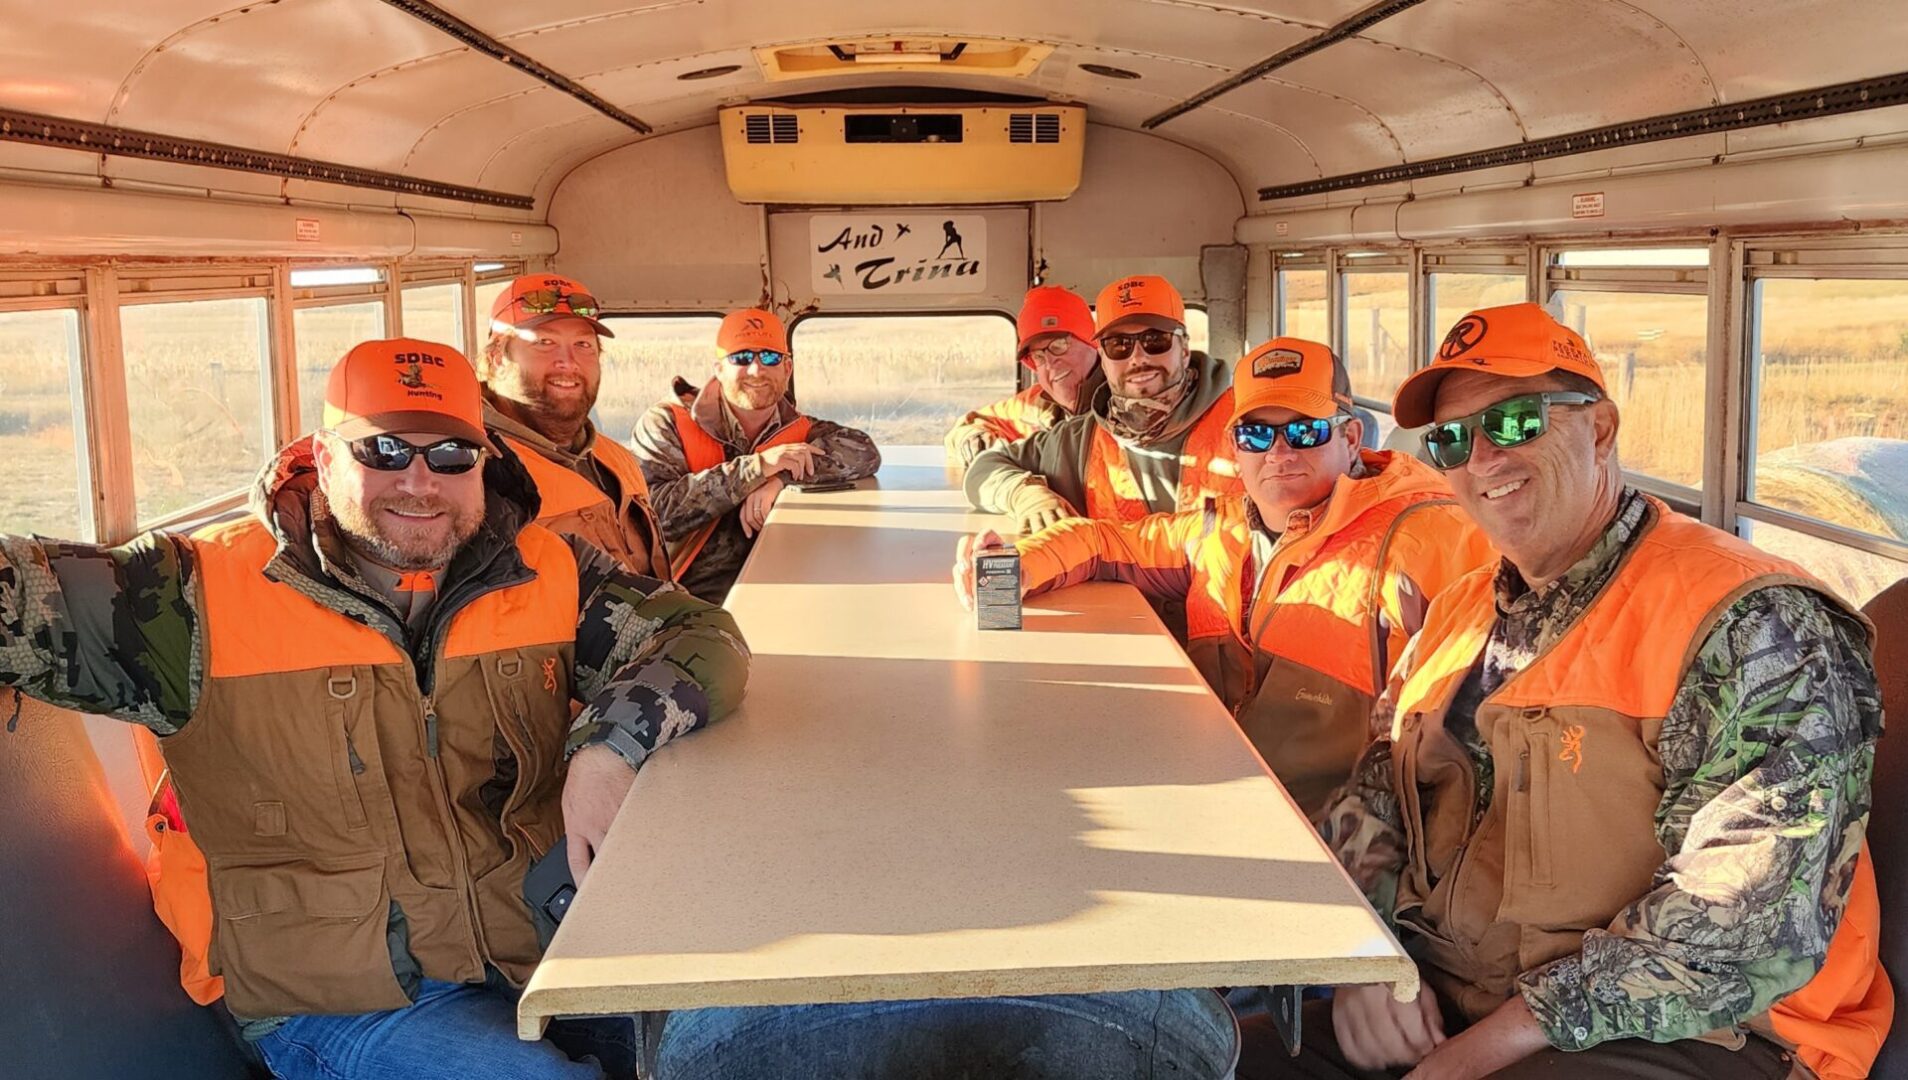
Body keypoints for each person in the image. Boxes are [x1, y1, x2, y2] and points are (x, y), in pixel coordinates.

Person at [0, 338, 751, 1078]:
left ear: (485, 463)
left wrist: (610, 745)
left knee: (749, 1023)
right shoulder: (187, 596)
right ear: (323, 459)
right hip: (334, 996)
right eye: (384, 451)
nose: (419, 482)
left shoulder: (545, 571)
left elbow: (702, 634)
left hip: (535, 943)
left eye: (451, 455)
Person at [1238, 304, 1891, 1079]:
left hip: (1707, 1030)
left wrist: (1486, 1047)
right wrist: (1365, 956)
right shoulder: (1461, 610)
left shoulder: (1753, 624)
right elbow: (1376, 799)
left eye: (1514, 423)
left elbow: (1740, 926)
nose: (1481, 460)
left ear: (1602, 429)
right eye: (1451, 440)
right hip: (1462, 988)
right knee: (1205, 1053)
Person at [953, 339, 1491, 814]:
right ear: (1235, 447)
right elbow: (1102, 541)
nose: (1278, 453)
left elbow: (1475, 744)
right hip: (1218, 786)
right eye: (1256, 435)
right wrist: (1014, 565)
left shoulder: (1435, 539)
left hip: (1337, 831)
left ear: (1351, 437)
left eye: (1304, 431)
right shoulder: (1219, 528)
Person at [631, 307, 880, 601]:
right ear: (719, 369)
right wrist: (756, 469)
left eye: (770, 357)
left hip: (782, 579)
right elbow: (656, 516)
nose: (756, 370)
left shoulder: (797, 428)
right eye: (742, 357)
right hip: (686, 598)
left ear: (787, 369)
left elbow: (864, 452)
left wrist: (782, 477)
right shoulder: (666, 422)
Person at [963, 274, 1240, 536]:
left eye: (1155, 340)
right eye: (1119, 345)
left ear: (1184, 348)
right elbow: (983, 468)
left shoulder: (1248, 421)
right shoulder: (1076, 441)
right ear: (1104, 358)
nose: (1138, 358)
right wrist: (1024, 493)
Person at [478, 272, 672, 580]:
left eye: (583, 344)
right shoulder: (474, 475)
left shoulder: (617, 459)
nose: (568, 362)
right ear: (496, 358)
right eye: (545, 342)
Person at [944, 285, 1104, 466]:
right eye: (1039, 356)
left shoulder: (1127, 399)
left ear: (1092, 343)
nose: (1050, 364)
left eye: (1058, 346)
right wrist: (973, 440)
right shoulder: (1037, 405)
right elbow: (970, 425)